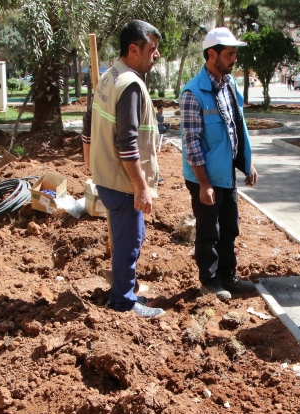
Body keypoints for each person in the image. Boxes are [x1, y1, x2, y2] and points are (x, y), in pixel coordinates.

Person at [89, 20, 165, 318]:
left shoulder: (110, 76)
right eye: (152, 49)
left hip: (107, 175)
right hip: (122, 181)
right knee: (129, 241)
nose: (156, 55)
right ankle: (123, 302)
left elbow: (88, 122)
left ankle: (123, 292)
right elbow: (127, 142)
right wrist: (141, 187)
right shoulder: (130, 85)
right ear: (134, 49)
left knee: (128, 237)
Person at [180, 27, 258, 301]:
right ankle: (209, 281)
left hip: (226, 174)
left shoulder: (230, 85)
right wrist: (204, 183)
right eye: (229, 54)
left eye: (235, 53)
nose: (234, 59)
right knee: (208, 232)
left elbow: (237, 127)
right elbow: (192, 143)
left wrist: (247, 163)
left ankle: (228, 276)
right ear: (212, 54)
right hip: (206, 179)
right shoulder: (192, 93)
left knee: (229, 228)